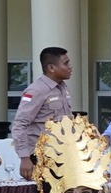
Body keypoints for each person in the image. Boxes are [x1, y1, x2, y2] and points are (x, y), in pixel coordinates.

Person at [11, 46, 75, 180]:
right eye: (66, 63)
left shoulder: (61, 88)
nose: (70, 66)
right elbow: (20, 124)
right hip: (42, 156)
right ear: (51, 68)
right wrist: (25, 158)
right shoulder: (36, 91)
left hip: (62, 154)